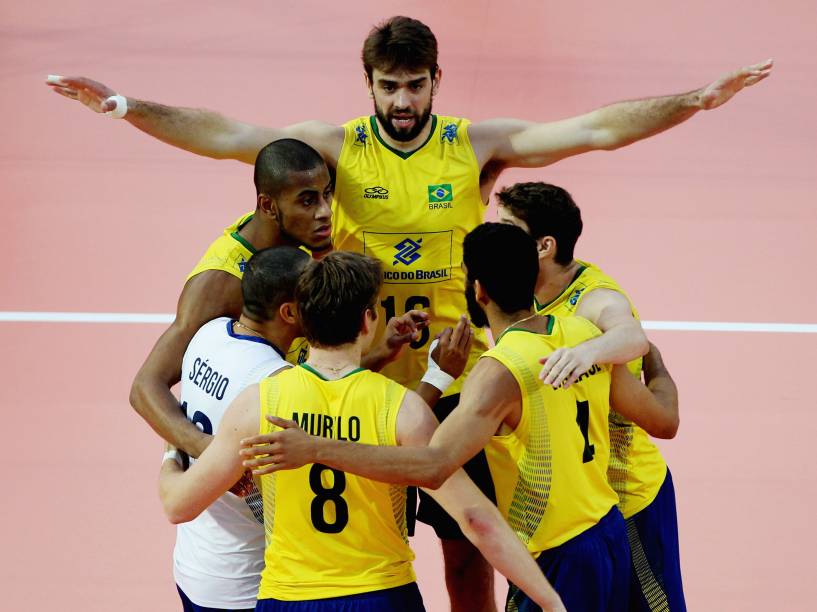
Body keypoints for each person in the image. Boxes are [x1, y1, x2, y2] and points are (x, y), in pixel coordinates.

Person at [47, 16, 769, 608]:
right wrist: (124, 107)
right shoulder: (335, 146)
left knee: (468, 549)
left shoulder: (470, 143)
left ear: (434, 83)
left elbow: (593, 130)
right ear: (368, 84)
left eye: (414, 86)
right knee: (319, 538)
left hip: (452, 380)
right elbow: (229, 138)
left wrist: (693, 101)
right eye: (388, 86)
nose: (401, 101)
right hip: (350, 369)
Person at [240, 224, 680, 611]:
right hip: (608, 533)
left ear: (479, 291)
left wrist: (316, 448)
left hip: (556, 554)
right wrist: (657, 367)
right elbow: (664, 420)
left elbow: (432, 466)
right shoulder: (583, 336)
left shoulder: (499, 371)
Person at [158, 250, 566, 612]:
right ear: (369, 320)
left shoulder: (259, 403)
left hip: (289, 596)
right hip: (382, 595)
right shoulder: (403, 410)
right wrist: (549, 601)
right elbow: (477, 520)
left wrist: (172, 448)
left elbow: (179, 505)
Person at [128, 138, 430, 462]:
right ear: (269, 206)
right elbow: (146, 387)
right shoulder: (221, 283)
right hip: (252, 471)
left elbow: (310, 378)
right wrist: (207, 451)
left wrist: (382, 351)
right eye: (307, 201)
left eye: (327, 194)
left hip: (296, 431)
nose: (325, 212)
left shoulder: (292, 245)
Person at [496, 182, 684, 610]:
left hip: (626, 494)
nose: (498, 235)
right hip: (565, 507)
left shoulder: (593, 296)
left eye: (508, 228)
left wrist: (585, 353)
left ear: (544, 246)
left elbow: (631, 335)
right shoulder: (518, 294)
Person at [172, 246, 308, 612]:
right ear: (290, 312)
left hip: (196, 562)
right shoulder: (273, 381)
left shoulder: (210, 333)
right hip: (247, 580)